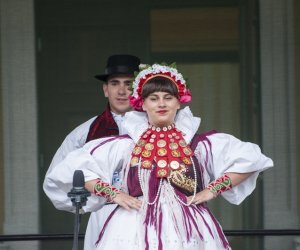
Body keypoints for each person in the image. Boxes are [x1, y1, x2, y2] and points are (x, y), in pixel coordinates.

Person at [44, 63, 273, 249]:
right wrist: (114, 195)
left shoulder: (198, 142)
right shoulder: (126, 145)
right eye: (153, 98)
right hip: (133, 224)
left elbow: (251, 160)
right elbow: (73, 167)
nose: (161, 103)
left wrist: (211, 190)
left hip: (190, 227)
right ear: (142, 104)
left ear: (179, 101)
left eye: (168, 97)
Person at [43, 54, 141, 249]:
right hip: (104, 213)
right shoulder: (84, 132)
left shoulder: (157, 128)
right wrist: (94, 199)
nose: (122, 91)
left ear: (139, 89)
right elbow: (60, 173)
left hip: (145, 212)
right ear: (105, 89)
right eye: (114, 83)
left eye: (128, 83)